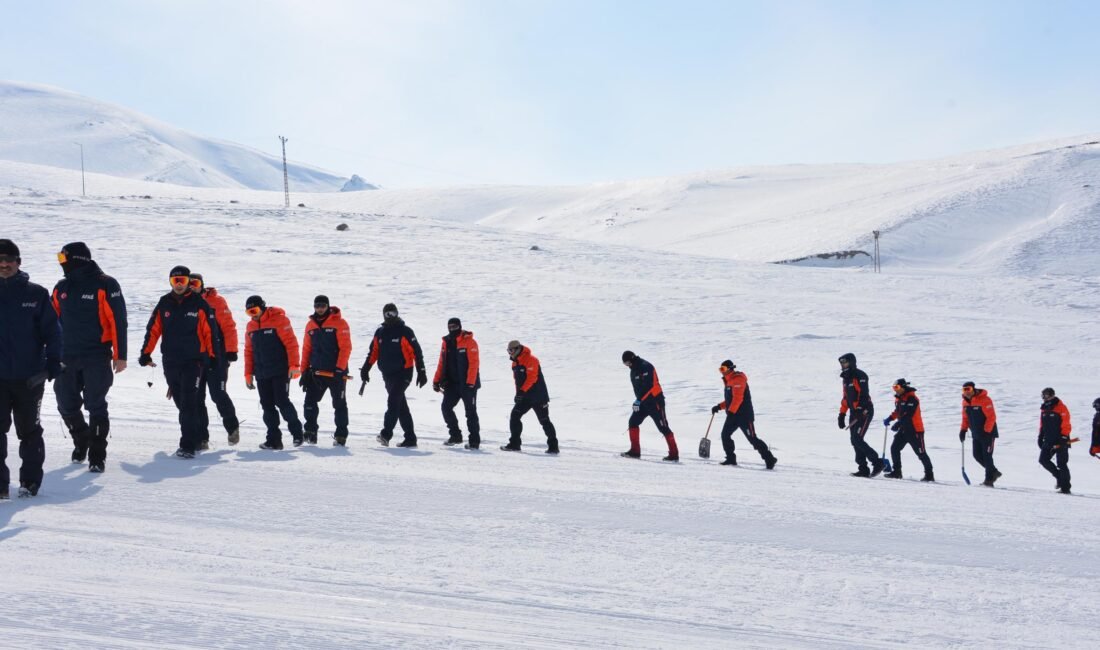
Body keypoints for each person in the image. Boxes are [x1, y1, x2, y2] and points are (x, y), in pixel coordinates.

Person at [50, 242, 128, 473]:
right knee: (65, 404)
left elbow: (118, 320)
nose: (61, 263)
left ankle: (97, 454)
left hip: (96, 355)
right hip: (66, 357)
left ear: (77, 259)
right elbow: (50, 323)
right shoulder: (61, 286)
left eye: (63, 258)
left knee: (96, 405)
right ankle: (81, 438)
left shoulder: (105, 284)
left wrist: (120, 355)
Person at [138, 266, 224, 459]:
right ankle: (200, 436)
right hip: (170, 360)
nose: (179, 285)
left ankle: (188, 445)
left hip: (194, 361)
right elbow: (153, 330)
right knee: (181, 401)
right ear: (170, 282)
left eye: (182, 281)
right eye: (175, 281)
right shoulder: (164, 303)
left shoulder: (199, 304)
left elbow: (210, 333)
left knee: (189, 402)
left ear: (188, 282)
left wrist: (213, 357)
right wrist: (146, 353)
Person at [0, 239, 62, 498]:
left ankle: (30, 482)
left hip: (29, 379)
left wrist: (53, 363)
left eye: (9, 260)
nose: (3, 265)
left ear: (19, 262)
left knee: (30, 432)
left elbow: (53, 332)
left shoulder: (35, 294)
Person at [360, 303, 426, 448]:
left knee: (393, 401)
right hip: (387, 374)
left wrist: (421, 371)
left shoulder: (405, 331)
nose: (391, 317)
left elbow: (417, 351)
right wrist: (365, 369)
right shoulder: (380, 332)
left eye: (393, 313)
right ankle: (410, 438)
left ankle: (386, 434)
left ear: (397, 314)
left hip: (404, 373)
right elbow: (373, 352)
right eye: (388, 314)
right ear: (383, 315)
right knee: (400, 406)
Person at [243, 295, 304, 450]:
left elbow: (291, 344)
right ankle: (274, 440)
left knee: (282, 401)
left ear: (262, 307)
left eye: (255, 310)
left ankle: (297, 433)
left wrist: (294, 365)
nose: (253, 315)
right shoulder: (250, 327)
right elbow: (248, 351)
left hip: (280, 370)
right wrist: (248, 374)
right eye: (249, 312)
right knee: (267, 405)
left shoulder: (279, 320)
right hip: (262, 372)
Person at [189, 273, 240, 448]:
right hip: (196, 359)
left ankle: (232, 427)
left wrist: (231, 351)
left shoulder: (216, 301)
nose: (191, 286)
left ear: (202, 284)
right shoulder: (184, 303)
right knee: (197, 398)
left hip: (217, 357)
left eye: (195, 283)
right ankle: (202, 438)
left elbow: (229, 327)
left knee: (217, 393)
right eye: (188, 283)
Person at [300, 295, 351, 446]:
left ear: (328, 307)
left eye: (323, 306)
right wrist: (304, 371)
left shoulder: (340, 323)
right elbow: (306, 349)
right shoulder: (310, 325)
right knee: (309, 402)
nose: (320, 309)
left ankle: (341, 436)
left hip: (336, 373)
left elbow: (346, 347)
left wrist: (340, 369)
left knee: (339, 404)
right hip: (316, 373)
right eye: (317, 306)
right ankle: (310, 432)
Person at [709, 360, 776, 469]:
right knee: (725, 435)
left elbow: (738, 399)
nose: (722, 372)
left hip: (744, 416)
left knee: (752, 439)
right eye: (720, 369)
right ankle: (731, 458)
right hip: (733, 415)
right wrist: (719, 406)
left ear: (730, 368)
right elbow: (730, 400)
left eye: (723, 369)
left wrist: (731, 411)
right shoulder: (728, 380)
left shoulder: (738, 379)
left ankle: (769, 459)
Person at [620, 351, 679, 461]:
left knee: (663, 427)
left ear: (632, 359)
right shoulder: (633, 370)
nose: (627, 366)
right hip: (643, 403)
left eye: (628, 363)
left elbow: (650, 386)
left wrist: (638, 400)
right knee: (633, 422)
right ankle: (635, 451)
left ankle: (674, 454)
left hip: (655, 401)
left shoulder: (646, 366)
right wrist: (639, 400)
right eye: (625, 364)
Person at [432, 317, 480, 449]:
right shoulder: (446, 342)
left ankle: (474, 441)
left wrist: (470, 382)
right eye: (450, 327)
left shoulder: (469, 342)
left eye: (455, 327)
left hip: (467, 384)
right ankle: (455, 435)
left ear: (460, 326)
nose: (452, 329)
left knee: (470, 412)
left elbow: (474, 363)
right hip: (452, 384)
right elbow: (442, 362)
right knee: (446, 408)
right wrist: (436, 380)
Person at [503, 340, 558, 454]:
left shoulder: (532, 360)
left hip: (538, 397)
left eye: (511, 350)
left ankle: (553, 447)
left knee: (544, 420)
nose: (510, 353)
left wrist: (521, 392)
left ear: (518, 349)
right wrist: (518, 394)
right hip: (525, 397)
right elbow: (517, 381)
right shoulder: (515, 363)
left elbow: (532, 378)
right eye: (508, 351)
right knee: (514, 416)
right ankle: (515, 444)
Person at [837, 353, 883, 478]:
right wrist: (842, 414)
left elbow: (864, 394)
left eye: (845, 362)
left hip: (864, 411)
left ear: (851, 362)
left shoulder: (860, 375)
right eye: (841, 363)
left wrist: (859, 409)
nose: (843, 365)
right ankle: (863, 469)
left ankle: (878, 462)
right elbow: (846, 398)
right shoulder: (846, 378)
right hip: (854, 412)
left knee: (857, 438)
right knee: (854, 440)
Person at [882, 378, 934, 481]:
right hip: (903, 430)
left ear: (903, 387)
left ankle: (929, 475)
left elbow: (908, 414)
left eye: (897, 387)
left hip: (915, 430)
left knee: (921, 453)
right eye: (893, 388)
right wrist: (890, 418)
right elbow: (898, 412)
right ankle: (897, 472)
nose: (895, 390)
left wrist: (898, 423)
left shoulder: (912, 399)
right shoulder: (898, 398)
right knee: (894, 448)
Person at [960, 381, 1001, 486]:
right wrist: (963, 430)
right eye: (964, 390)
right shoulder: (965, 402)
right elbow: (965, 418)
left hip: (988, 433)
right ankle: (994, 472)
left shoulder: (985, 400)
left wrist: (987, 431)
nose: (966, 392)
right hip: (976, 433)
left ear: (973, 389)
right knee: (977, 455)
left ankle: (989, 480)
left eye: (968, 389)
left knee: (987, 456)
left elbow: (991, 417)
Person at [1038, 387, 1072, 494]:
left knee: (1062, 463)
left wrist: (1063, 437)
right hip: (1048, 440)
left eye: (1046, 395)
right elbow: (1042, 424)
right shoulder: (1044, 408)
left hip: (1061, 440)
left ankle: (1065, 487)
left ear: (1052, 395)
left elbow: (1066, 423)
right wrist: (1040, 436)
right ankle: (1060, 478)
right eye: (1043, 395)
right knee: (1043, 460)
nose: (1044, 397)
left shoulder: (1061, 407)